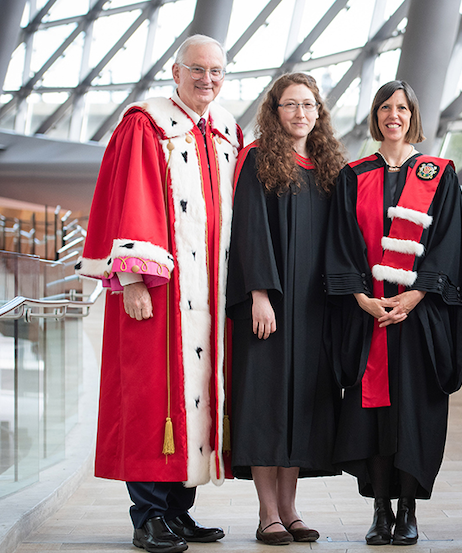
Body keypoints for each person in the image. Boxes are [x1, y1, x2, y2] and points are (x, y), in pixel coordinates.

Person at [76, 34, 241, 553]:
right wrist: (131, 281)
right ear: (175, 72)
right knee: (155, 399)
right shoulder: (146, 125)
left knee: (196, 399)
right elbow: (131, 199)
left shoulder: (226, 132)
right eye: (197, 70)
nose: (207, 80)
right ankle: (148, 516)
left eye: (216, 71)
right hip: (160, 292)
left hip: (210, 296)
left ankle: (177, 511)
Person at [325, 80, 462, 546]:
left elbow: (450, 244)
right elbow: (342, 245)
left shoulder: (440, 173)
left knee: (413, 411)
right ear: (376, 115)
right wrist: (361, 298)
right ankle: (379, 510)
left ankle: (408, 509)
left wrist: (415, 296)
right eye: (386, 107)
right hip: (368, 316)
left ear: (414, 116)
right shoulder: (353, 174)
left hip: (419, 318)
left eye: (403, 107)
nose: (395, 114)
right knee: (374, 414)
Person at [226, 72, 345, 546]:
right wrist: (259, 294)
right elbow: (251, 231)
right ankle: (267, 512)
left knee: (302, 404)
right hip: (271, 305)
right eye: (290, 104)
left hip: (315, 307)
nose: (300, 113)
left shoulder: (329, 166)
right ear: (274, 112)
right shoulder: (258, 160)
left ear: (319, 113)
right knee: (266, 403)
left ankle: (292, 509)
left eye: (309, 105)